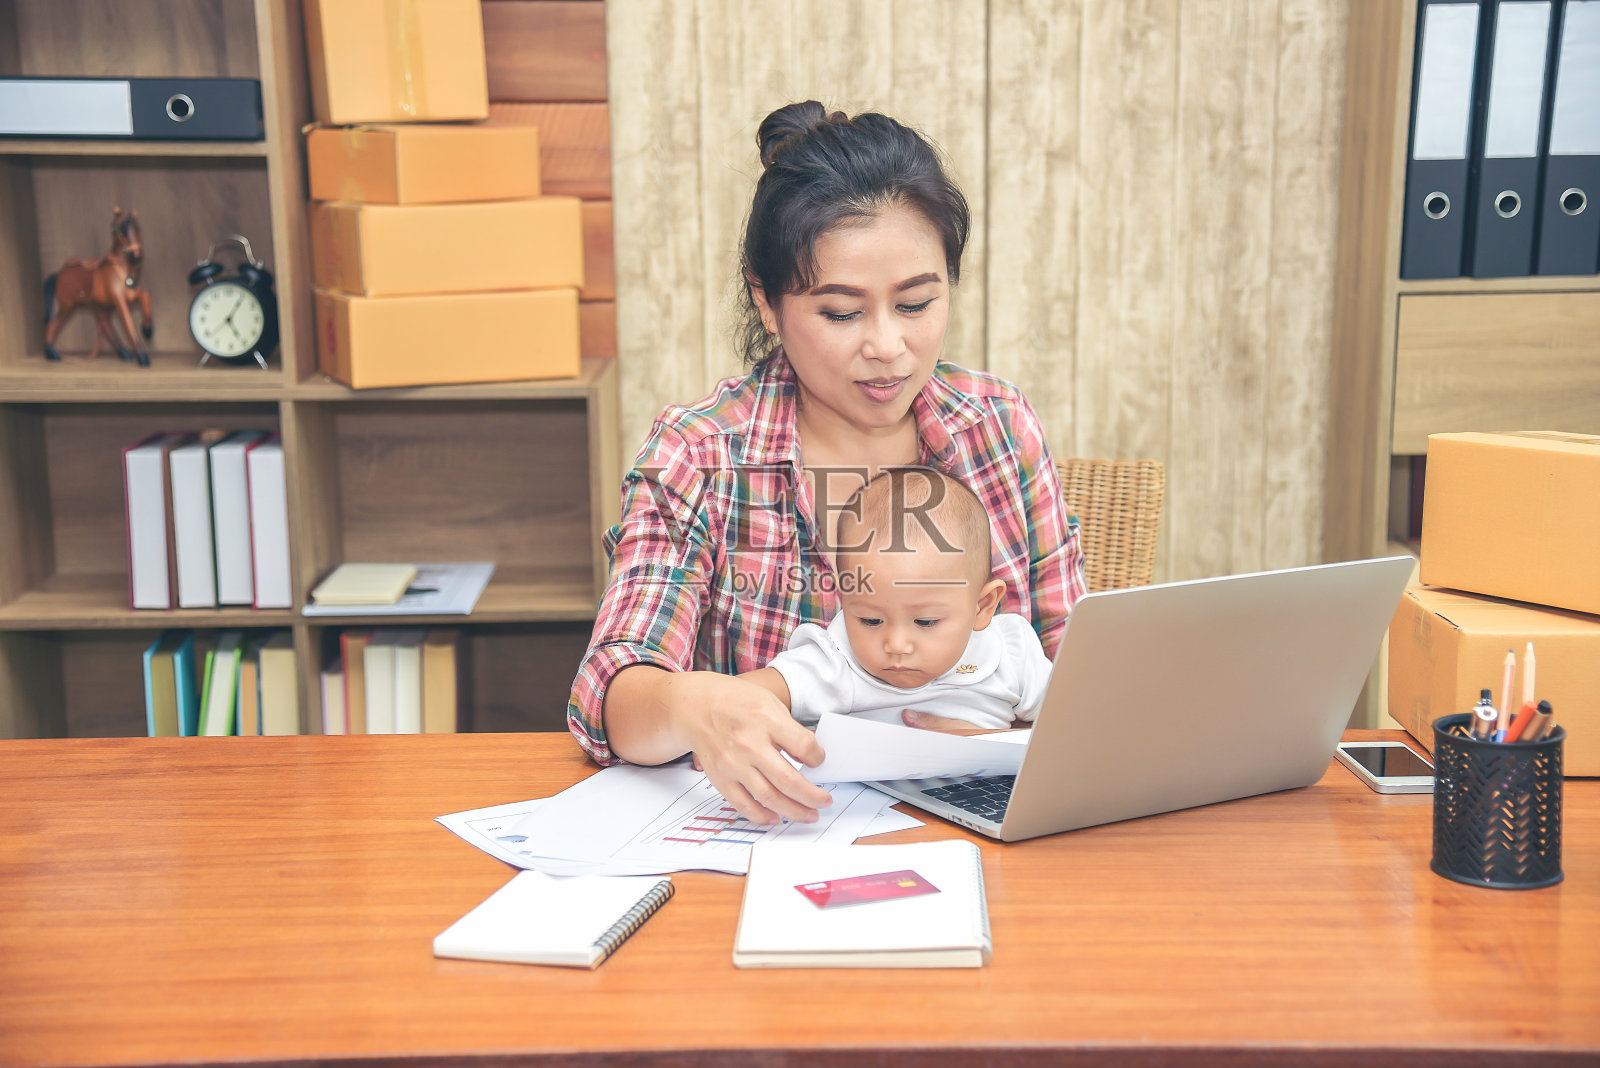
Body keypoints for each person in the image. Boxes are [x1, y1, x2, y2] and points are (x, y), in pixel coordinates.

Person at [567, 100, 1087, 826]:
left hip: (984, 836)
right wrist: (694, 705)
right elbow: (611, 696)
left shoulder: (996, 429)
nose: (886, 346)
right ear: (768, 301)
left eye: (915, 304)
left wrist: (1008, 741)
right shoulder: (700, 455)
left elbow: (1079, 676)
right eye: (842, 313)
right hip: (776, 838)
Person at [744, 467, 1053, 730]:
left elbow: (1079, 726)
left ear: (983, 606)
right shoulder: (836, 663)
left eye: (925, 621)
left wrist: (991, 745)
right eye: (870, 620)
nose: (896, 644)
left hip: (986, 797)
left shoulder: (1012, 656)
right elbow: (737, 697)